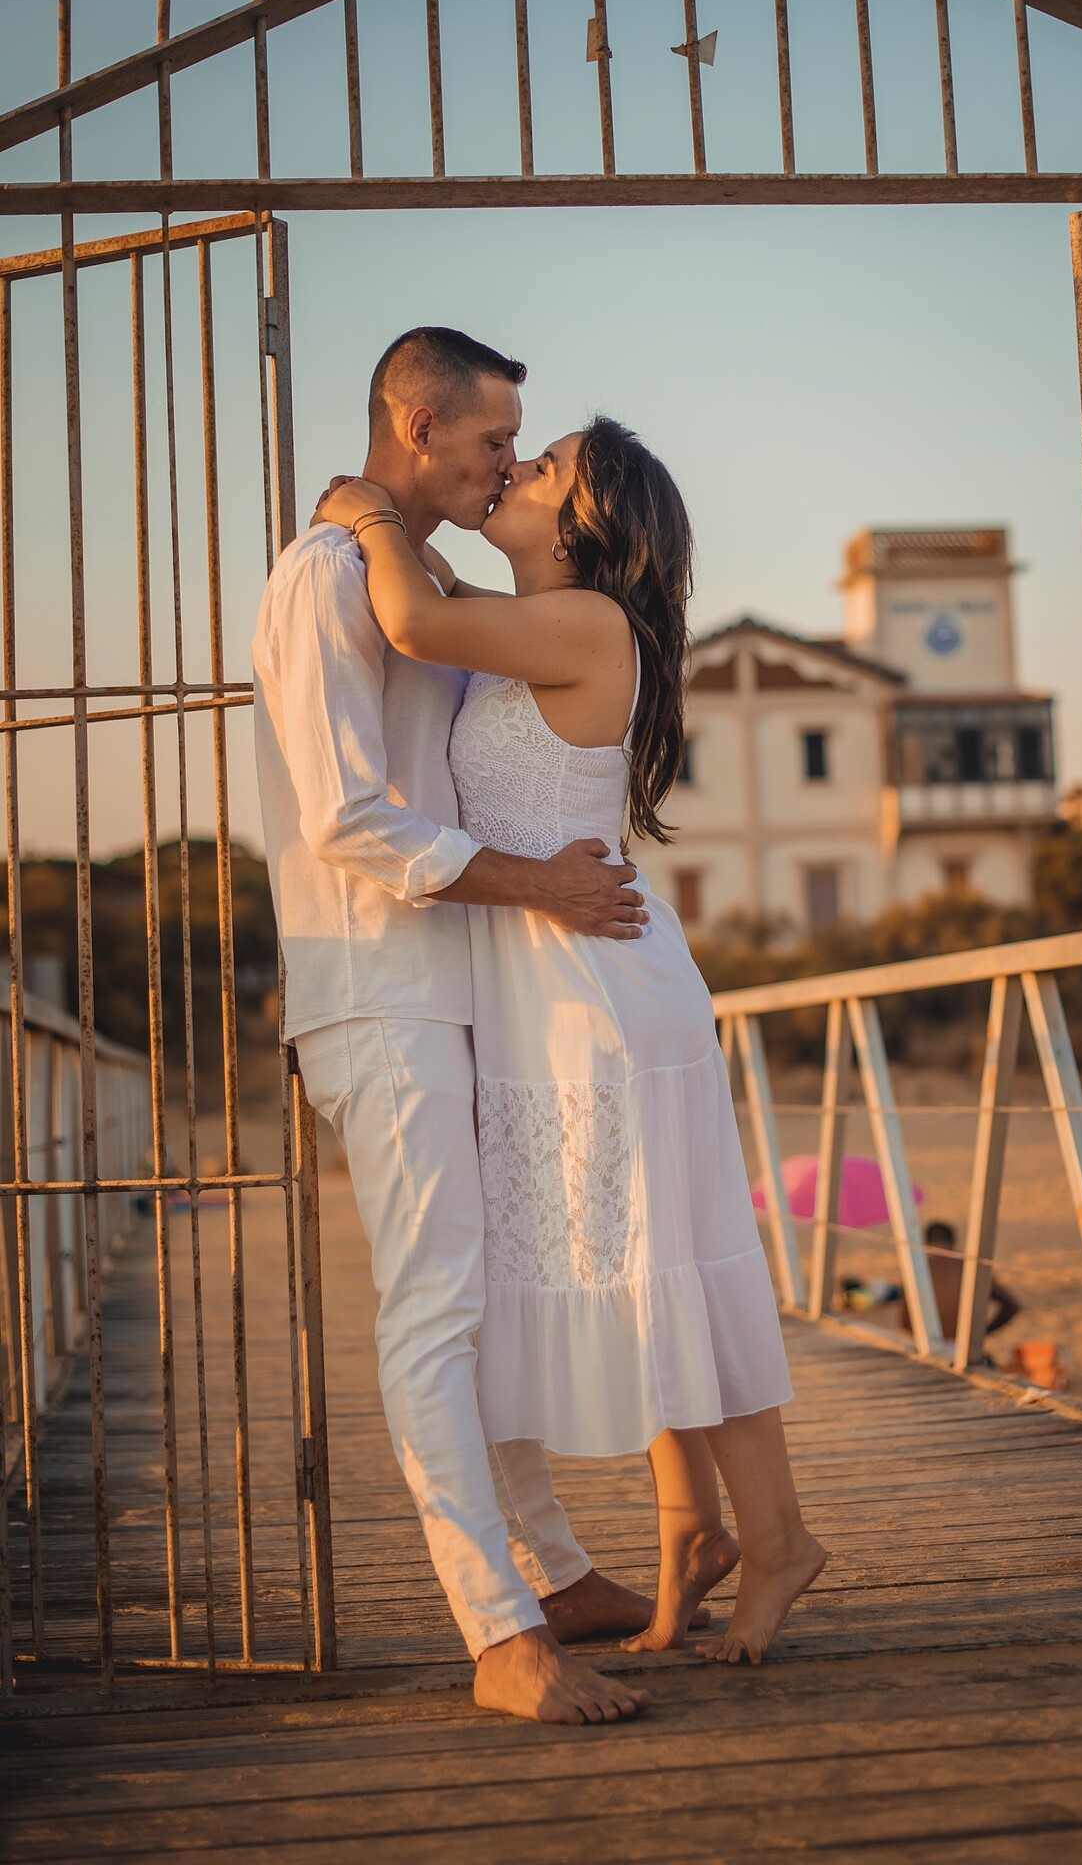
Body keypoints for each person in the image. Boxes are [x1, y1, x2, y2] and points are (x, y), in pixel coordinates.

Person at [317, 412, 826, 1668]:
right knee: (637, 1261)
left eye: (540, 468)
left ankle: (778, 1539)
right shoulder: (529, 617)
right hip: (549, 989)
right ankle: (690, 1541)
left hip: (599, 999)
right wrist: (403, 531)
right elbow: (437, 599)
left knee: (679, 1267)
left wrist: (366, 505)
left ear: (589, 527)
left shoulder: (584, 624)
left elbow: (414, 619)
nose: (512, 470)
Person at [252, 327, 661, 1727]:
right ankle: (499, 1636)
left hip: (468, 981)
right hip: (377, 985)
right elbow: (348, 819)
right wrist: (540, 883)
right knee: (435, 1305)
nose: (506, 468)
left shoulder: (408, 577)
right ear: (416, 426)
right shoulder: (321, 585)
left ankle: (548, 1571)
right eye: (493, 442)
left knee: (484, 1301)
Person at [887, 1220, 1021, 1344]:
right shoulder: (969, 1268)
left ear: (926, 1243)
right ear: (953, 1241)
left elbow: (904, 1323)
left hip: (925, 1344)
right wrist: (984, 1332)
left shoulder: (918, 1269)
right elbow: (1011, 1306)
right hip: (963, 1346)